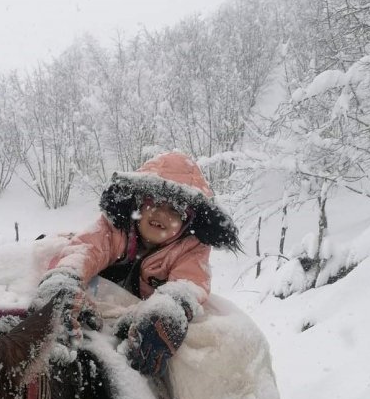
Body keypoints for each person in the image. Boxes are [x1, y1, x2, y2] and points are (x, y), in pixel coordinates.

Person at [35, 151, 239, 376]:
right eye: (154, 202)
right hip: (99, 296)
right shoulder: (113, 228)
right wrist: (65, 277)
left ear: (188, 219)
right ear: (138, 203)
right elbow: (85, 250)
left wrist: (168, 310)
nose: (161, 214)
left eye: (175, 209)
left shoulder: (190, 247)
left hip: (138, 306)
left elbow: (190, 281)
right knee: (46, 258)